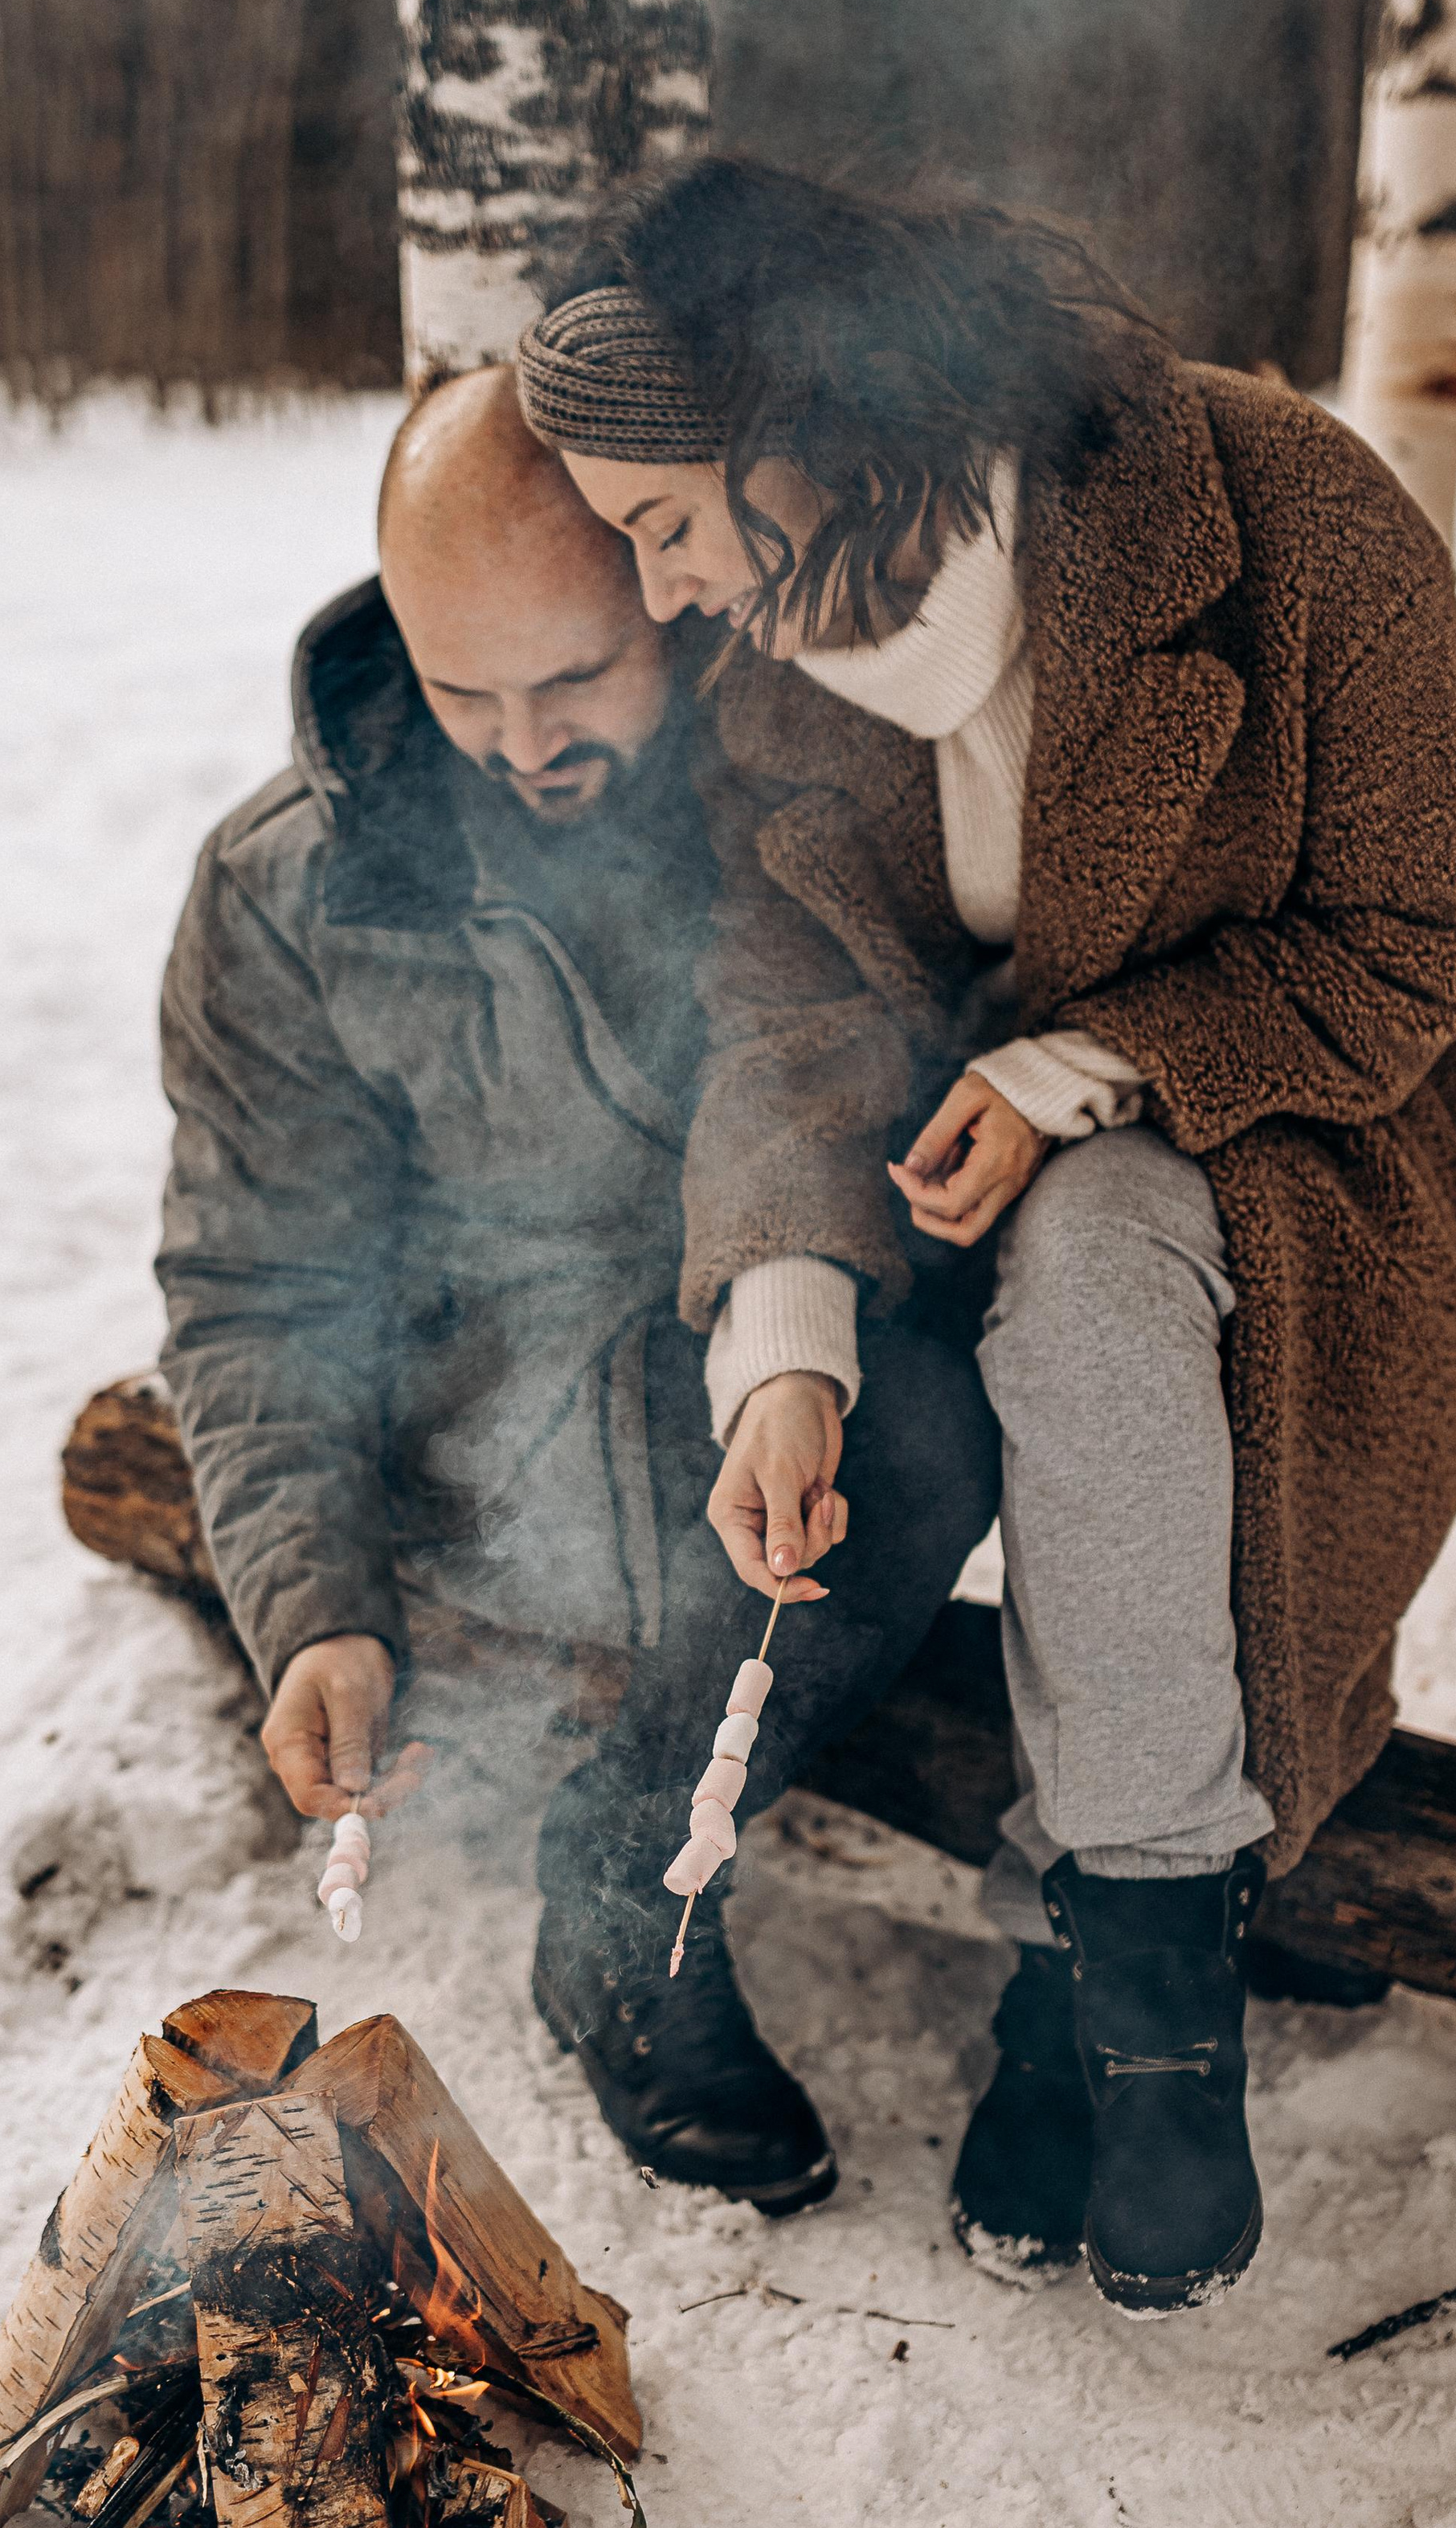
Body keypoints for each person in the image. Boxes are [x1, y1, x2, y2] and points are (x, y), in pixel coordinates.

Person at [516, 157, 1456, 2316]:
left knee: (1092, 1272)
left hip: (1295, 1172)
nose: (664, 593)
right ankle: (637, 1880)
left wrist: (1086, 1074)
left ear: (810, 429)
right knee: (884, 1425)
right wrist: (782, 1335)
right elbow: (783, 1012)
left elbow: (1422, 940)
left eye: (669, 524)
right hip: (928, 1185)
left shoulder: (1291, 522)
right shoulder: (782, 675)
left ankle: (1130, 1986)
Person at [153, 365, 998, 2221]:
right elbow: (254, 1290)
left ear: (673, 601)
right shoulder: (285, 892)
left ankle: (620, 1880)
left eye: (573, 681)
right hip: (484, 1450)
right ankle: (636, 1934)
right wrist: (310, 1610)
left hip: (761, 1371)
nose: (519, 742)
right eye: (464, 691)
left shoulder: (802, 795)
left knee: (926, 1425)